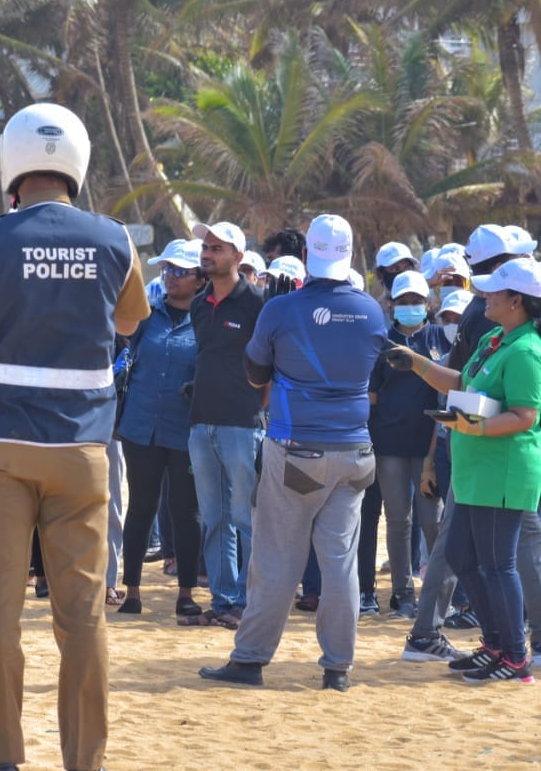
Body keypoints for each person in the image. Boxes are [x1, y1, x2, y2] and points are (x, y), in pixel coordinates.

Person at [0, 102, 149, 771]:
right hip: (81, 448)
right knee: (83, 614)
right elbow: (128, 321)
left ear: (12, 168)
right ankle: (85, 766)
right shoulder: (115, 239)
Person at [200, 214, 387, 692]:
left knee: (276, 560)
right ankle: (338, 667)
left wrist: (272, 313)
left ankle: (250, 659)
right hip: (355, 452)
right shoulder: (371, 312)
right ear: (350, 257)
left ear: (306, 256)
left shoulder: (281, 309)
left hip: (297, 451)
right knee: (339, 562)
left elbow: (255, 376)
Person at [386, 258, 541, 682]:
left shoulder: (526, 350)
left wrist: (475, 427)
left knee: (498, 565)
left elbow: (525, 416)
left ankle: (515, 656)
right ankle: (495, 644)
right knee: (460, 555)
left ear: (517, 300)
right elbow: (462, 383)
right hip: (476, 469)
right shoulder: (495, 338)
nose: (484, 295)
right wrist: (417, 363)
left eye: (494, 291)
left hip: (503, 471)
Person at [116, 238, 205, 619]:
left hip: (185, 431)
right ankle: (132, 592)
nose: (171, 276)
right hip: (140, 428)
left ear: (200, 279)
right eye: (167, 269)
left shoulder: (207, 321)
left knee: (186, 511)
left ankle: (186, 593)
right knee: (141, 507)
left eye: (181, 271)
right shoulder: (147, 316)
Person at [188, 220, 265, 629]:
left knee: (245, 518)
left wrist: (258, 410)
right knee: (214, 518)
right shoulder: (199, 304)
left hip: (242, 424)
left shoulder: (258, 303)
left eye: (217, 248)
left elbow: (271, 368)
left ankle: (251, 604)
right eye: (206, 247)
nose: (207, 253)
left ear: (238, 256)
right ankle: (223, 601)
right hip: (201, 422)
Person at [367, 270, 449, 619]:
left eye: (417, 300)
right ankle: (403, 596)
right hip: (389, 445)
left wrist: (433, 455)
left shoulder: (441, 338)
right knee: (398, 521)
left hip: (429, 447)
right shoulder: (382, 342)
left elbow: (446, 397)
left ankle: (439, 599)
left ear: (429, 303)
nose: (411, 306)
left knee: (433, 522)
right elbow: (372, 396)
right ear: (391, 304)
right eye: (404, 301)